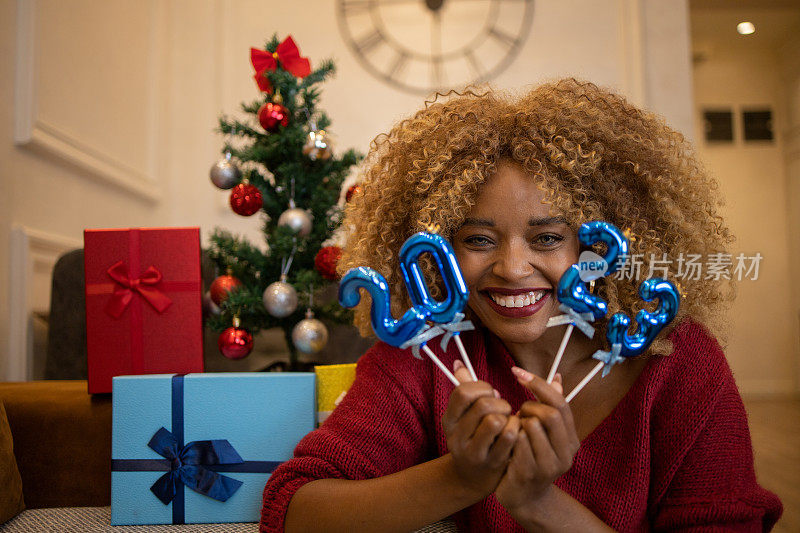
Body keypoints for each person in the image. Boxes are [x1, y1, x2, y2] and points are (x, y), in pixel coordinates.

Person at [260, 79, 782, 532]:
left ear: (601, 245)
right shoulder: (424, 353)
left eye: (549, 237)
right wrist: (461, 477)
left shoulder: (677, 361)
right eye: (479, 239)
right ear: (435, 247)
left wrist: (538, 504)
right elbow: (295, 511)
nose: (512, 267)